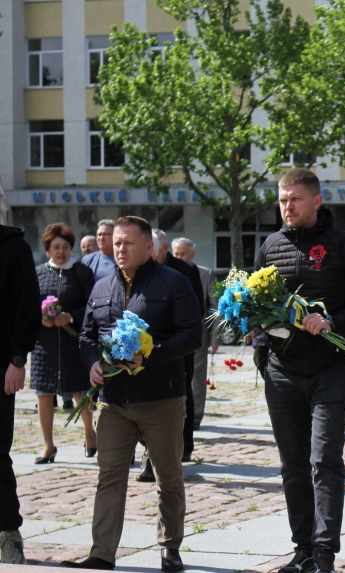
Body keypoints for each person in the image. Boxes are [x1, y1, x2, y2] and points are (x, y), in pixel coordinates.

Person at [254, 168, 345, 573]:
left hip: (331, 369)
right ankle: (302, 549)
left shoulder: (344, 245)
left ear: (316, 201)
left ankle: (324, 553)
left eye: (294, 200)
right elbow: (256, 303)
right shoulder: (269, 246)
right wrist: (252, 325)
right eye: (282, 200)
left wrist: (334, 323)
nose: (286, 207)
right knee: (292, 462)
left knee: (324, 457)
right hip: (281, 371)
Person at [62, 216, 201, 572]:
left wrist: (150, 356)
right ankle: (102, 553)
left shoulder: (175, 283)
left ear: (149, 247)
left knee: (168, 478)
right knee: (109, 476)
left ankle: (170, 548)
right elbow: (87, 335)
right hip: (115, 402)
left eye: (127, 243)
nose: (119, 249)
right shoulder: (102, 286)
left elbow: (191, 335)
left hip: (162, 400)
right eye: (116, 243)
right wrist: (92, 361)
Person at [136, 229, 205, 482]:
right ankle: (149, 457)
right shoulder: (136, 272)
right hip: (144, 348)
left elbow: (195, 311)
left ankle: (183, 446)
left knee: (180, 396)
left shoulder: (183, 271)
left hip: (176, 346)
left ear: (160, 248)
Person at [30, 224, 97, 463]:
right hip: (44, 343)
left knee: (80, 389)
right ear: (47, 249)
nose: (61, 252)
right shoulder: (37, 273)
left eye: (65, 247)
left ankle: (90, 432)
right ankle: (48, 445)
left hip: (72, 339)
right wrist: (41, 318)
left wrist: (70, 316)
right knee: (44, 391)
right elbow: (27, 305)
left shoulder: (81, 272)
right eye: (56, 247)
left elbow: (92, 304)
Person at [0, 224, 41, 564]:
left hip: (1, 367)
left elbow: (27, 307)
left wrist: (17, 359)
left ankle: (7, 532)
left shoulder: (13, 247)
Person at [172, 237, 218, 430]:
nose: (179, 257)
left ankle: (195, 417)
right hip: (172, 336)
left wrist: (216, 338)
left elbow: (215, 309)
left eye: (183, 253)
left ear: (193, 254)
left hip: (198, 337)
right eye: (176, 254)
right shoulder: (167, 274)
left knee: (197, 379)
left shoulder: (205, 275)